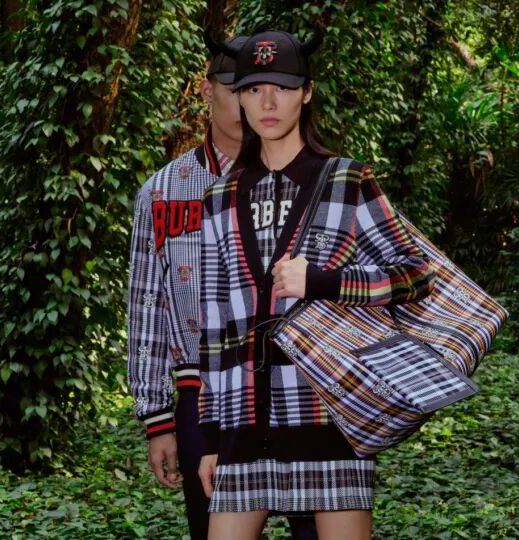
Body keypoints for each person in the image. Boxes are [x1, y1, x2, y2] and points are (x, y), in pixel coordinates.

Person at [197, 30, 435, 540]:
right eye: (254, 88)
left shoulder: (347, 181)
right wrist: (211, 436)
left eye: (282, 87)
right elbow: (215, 326)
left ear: (306, 93)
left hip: (328, 416)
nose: (268, 102)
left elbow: (415, 273)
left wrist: (324, 282)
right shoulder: (219, 197)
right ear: (238, 96)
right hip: (244, 425)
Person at [127, 34, 318, 540]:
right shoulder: (162, 192)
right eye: (237, 87)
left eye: (266, 86)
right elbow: (147, 305)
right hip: (205, 394)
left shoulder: (313, 180)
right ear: (207, 89)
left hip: (302, 386)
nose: (249, 101)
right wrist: (157, 418)